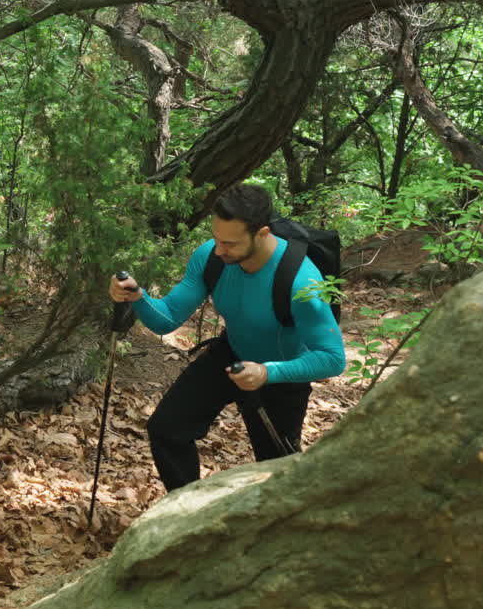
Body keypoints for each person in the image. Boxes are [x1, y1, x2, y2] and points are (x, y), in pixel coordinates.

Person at [108, 183, 345, 491]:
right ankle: (188, 514)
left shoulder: (302, 281)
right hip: (231, 356)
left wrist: (267, 372)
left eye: (230, 243)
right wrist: (136, 297)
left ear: (262, 233)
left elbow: (332, 358)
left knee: (278, 472)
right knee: (167, 429)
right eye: (216, 238)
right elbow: (167, 320)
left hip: (281, 376)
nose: (219, 249)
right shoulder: (211, 256)